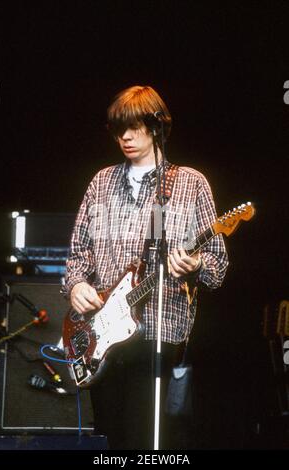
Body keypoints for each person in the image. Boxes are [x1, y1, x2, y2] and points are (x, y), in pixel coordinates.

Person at [62, 85, 229, 450]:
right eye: (118, 128)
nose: (124, 137)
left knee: (149, 440)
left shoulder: (189, 183)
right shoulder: (100, 183)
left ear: (156, 127)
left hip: (157, 332)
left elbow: (217, 268)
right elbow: (78, 255)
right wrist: (76, 286)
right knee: (113, 440)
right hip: (102, 338)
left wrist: (195, 263)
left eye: (134, 127)